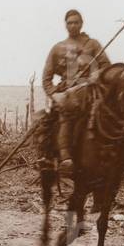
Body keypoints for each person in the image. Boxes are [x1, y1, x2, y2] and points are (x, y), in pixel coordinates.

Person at [42, 9, 112, 174]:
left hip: (93, 88)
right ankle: (66, 158)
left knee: (114, 111)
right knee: (66, 113)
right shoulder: (57, 48)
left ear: (82, 24)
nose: (73, 25)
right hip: (69, 92)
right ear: (65, 25)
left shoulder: (93, 44)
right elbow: (46, 78)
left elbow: (106, 66)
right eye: (69, 22)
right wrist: (55, 95)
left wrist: (98, 73)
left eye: (76, 22)